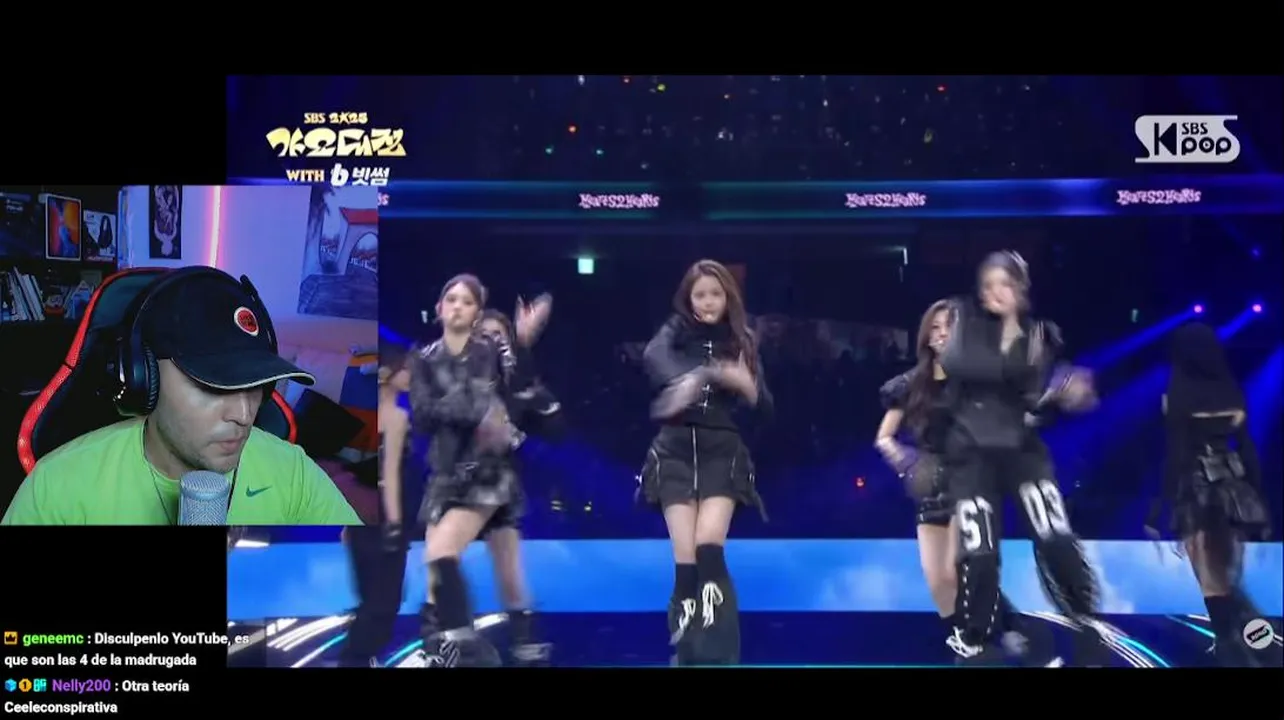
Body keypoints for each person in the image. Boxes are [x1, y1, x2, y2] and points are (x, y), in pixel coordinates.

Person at [2, 266, 361, 526]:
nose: (244, 414)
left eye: (256, 384)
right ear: (143, 379)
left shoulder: (294, 473)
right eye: (214, 386)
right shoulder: (56, 488)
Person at [938, 251, 1103, 665]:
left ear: (1021, 289)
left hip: (1022, 451)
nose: (995, 292)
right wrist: (1031, 375)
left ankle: (1086, 621)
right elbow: (965, 365)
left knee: (1055, 536)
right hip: (972, 454)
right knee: (980, 553)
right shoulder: (965, 325)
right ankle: (978, 637)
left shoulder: (1042, 335)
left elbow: (1046, 393)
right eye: (988, 285)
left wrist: (1071, 394)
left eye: (1004, 284)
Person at [876, 299, 1057, 665]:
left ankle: (1018, 640)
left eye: (950, 327)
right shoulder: (912, 384)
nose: (942, 334)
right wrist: (904, 461)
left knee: (961, 568)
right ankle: (983, 642)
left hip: (970, 480)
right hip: (931, 486)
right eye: (936, 327)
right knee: (939, 583)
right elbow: (884, 437)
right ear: (926, 336)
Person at [409, 275, 551, 668]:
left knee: (444, 554)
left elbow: (510, 391)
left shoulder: (488, 352)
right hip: (445, 473)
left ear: (477, 313)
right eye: (451, 299)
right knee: (446, 566)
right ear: (439, 308)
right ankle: (447, 646)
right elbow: (423, 415)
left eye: (467, 301)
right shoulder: (424, 359)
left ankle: (466, 646)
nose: (457, 306)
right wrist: (471, 408)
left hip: (488, 472)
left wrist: (523, 341)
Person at [639, 259, 771, 666]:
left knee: (708, 549)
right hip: (674, 453)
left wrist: (747, 387)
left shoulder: (742, 340)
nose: (708, 302)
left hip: (721, 453)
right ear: (689, 299)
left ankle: (719, 655)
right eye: (700, 295)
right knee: (686, 562)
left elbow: (765, 407)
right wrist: (698, 378)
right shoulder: (674, 332)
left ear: (728, 297)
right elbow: (654, 357)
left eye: (715, 294)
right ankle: (686, 653)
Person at [1145, 322, 1278, 667]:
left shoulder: (1179, 392)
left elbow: (1177, 455)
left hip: (1199, 494)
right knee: (1230, 582)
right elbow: (1248, 450)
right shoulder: (1231, 390)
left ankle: (1245, 653)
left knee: (1215, 586)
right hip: (1235, 493)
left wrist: (1157, 509)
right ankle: (1265, 650)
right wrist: (1260, 500)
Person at [338, 345, 425, 667]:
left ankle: (358, 657)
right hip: (385, 516)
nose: (412, 375)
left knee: (372, 599)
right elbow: (389, 477)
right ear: (388, 373)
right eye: (408, 368)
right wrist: (397, 526)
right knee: (384, 601)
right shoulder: (397, 417)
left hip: (361, 514)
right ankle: (355, 658)